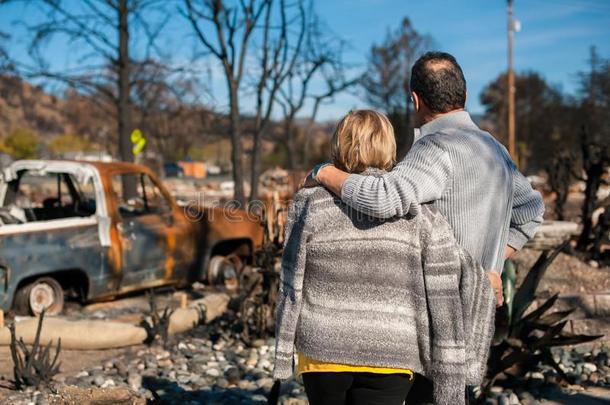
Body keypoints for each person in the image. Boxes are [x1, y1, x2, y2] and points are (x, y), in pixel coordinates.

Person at [273, 109, 495, 405]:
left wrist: (283, 352)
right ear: (389, 147)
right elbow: (445, 288)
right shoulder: (419, 214)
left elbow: (291, 281)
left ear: (339, 145)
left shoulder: (309, 203)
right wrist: (485, 276)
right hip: (393, 352)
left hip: (322, 348)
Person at [306, 52, 545, 308]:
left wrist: (324, 172)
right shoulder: (496, 150)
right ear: (464, 96)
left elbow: (383, 197)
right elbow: (532, 211)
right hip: (481, 308)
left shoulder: (437, 148)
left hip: (439, 313)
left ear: (415, 100)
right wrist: (492, 266)